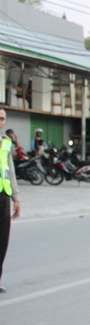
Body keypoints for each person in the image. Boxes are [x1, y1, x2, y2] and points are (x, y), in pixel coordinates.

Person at [0, 110, 21, 293]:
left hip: (3, 195)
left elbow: (10, 171)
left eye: (2, 118)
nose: (0, 121)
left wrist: (16, 197)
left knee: (2, 240)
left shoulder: (6, 142)